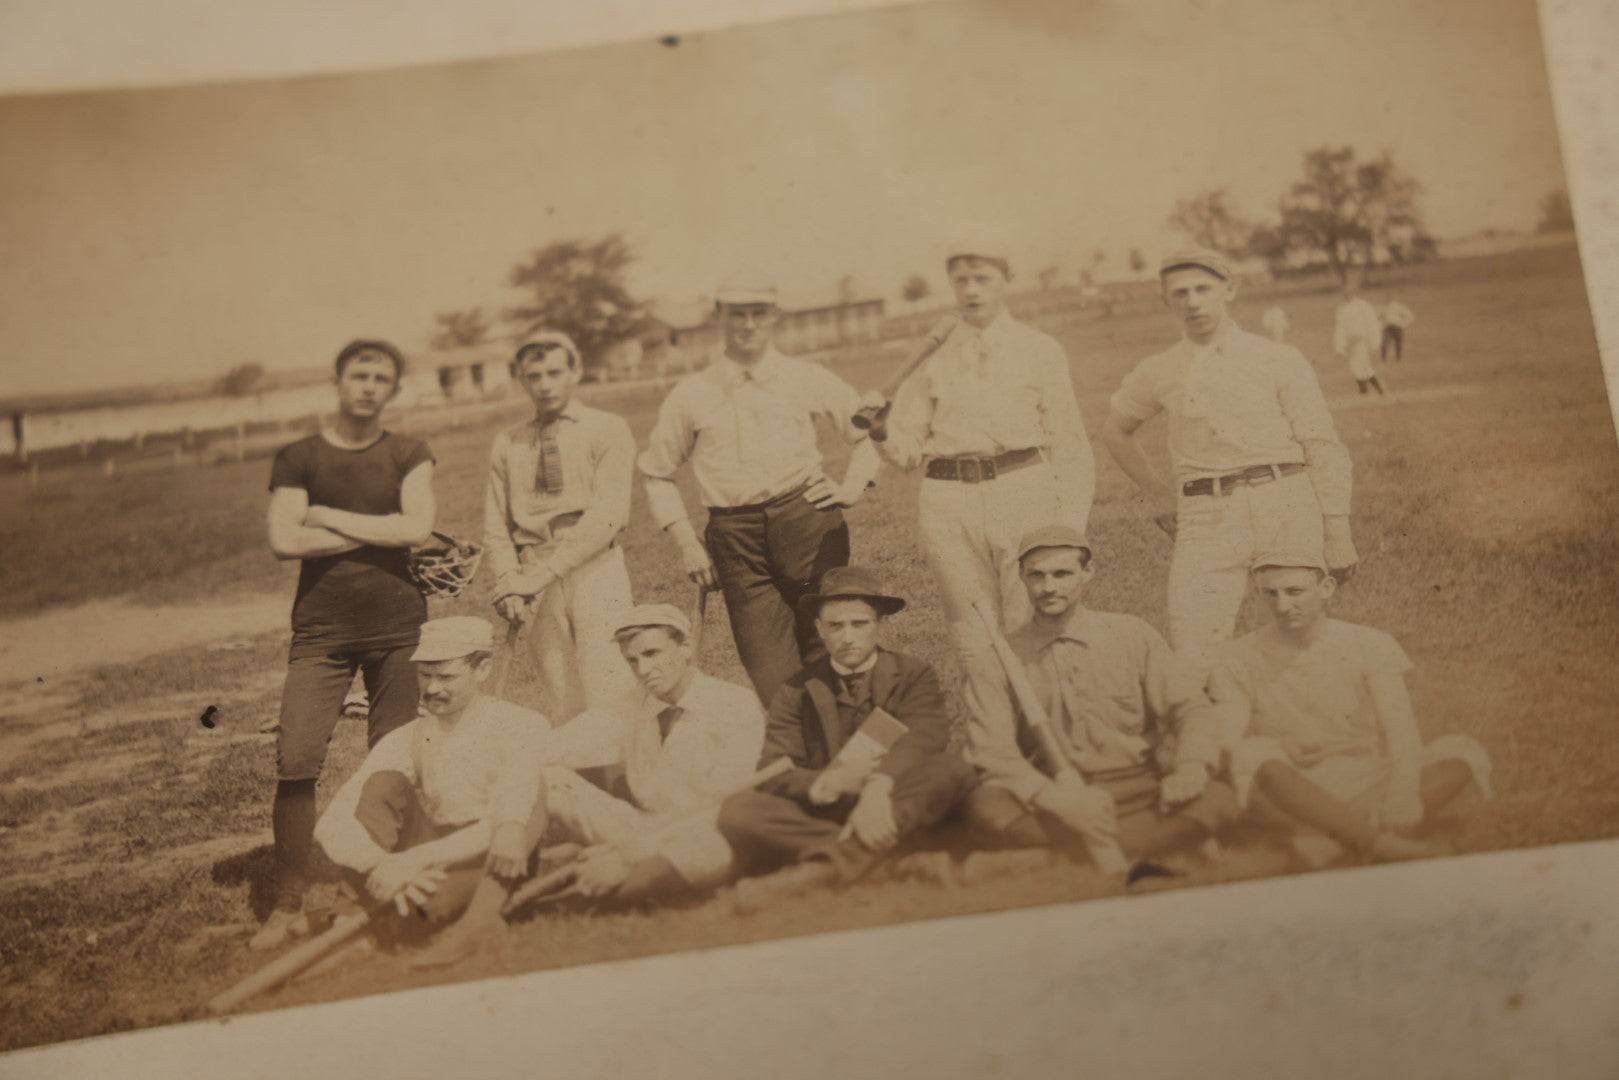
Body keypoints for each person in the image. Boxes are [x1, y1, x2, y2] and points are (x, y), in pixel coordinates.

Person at [254, 339, 436, 950]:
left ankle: (386, 883)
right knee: (297, 759)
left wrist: (328, 516)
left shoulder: (409, 451)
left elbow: (418, 528)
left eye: (382, 377)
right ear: (337, 380)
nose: (369, 386)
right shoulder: (298, 455)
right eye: (360, 374)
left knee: (395, 758)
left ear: (394, 389)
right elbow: (284, 540)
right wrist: (380, 536)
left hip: (398, 626)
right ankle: (289, 901)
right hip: (322, 631)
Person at [870, 239, 1095, 725]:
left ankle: (1052, 736)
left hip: (1023, 488)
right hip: (949, 500)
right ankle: (996, 741)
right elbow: (907, 451)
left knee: (1029, 621)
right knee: (972, 632)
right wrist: (881, 431)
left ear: (1005, 280)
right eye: (961, 280)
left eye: (983, 278)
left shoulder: (1039, 349)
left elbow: (1071, 444)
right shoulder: (931, 354)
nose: (971, 290)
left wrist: (1069, 532)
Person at [1102, 247, 1357, 675]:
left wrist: (1337, 531)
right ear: (1166, 301)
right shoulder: (1159, 369)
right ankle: (1214, 734)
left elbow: (1322, 445)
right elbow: (1115, 430)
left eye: (1203, 289)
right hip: (1206, 512)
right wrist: (1158, 494)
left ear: (1229, 290)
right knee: (1195, 642)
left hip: (1284, 497)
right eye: (1180, 293)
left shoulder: (1277, 358)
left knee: (1302, 638)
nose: (1193, 301)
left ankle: (1308, 736)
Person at [639, 272, 881, 706]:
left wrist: (853, 486)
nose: (748, 325)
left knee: (835, 652)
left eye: (758, 314)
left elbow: (866, 431)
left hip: (808, 523)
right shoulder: (691, 394)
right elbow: (656, 472)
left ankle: (852, 759)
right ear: (718, 318)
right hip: (736, 543)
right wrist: (686, 543)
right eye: (737, 315)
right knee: (773, 678)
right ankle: (807, 765)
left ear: (774, 317)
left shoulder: (805, 376)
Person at [962, 526, 1236, 876]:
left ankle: (1049, 860)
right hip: (1055, 796)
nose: (1048, 587)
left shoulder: (1131, 635)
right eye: (1037, 575)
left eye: (1062, 574)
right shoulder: (997, 659)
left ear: (1087, 572)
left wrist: (1191, 765)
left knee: (1219, 798)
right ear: (1021, 577)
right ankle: (1166, 841)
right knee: (984, 805)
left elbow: (1190, 709)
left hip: (1139, 787)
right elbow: (992, 752)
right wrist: (1053, 797)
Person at [1207, 554, 1492, 866]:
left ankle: (1326, 838)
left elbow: (1401, 731)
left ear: (1327, 587)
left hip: (1364, 775)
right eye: (1270, 594)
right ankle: (1378, 842)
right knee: (1251, 753)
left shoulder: (1369, 643)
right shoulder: (1235, 656)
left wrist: (1403, 792)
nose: (1283, 606)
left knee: (1462, 750)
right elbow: (1228, 736)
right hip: (1289, 786)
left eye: (1295, 592)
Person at [717, 567, 975, 908]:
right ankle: (896, 863)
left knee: (952, 768)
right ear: (820, 630)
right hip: (828, 809)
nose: (847, 637)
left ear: (881, 626)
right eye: (835, 626)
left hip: (895, 799)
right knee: (738, 812)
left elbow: (927, 735)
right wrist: (823, 784)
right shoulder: (796, 689)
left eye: (859, 624)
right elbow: (775, 766)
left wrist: (878, 786)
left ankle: (816, 873)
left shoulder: (913, 673)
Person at [313, 617, 550, 967]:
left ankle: (356, 919)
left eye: (446, 677)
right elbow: (333, 820)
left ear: (482, 669)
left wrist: (413, 861)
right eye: (425, 675)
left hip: (490, 857)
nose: (432, 688)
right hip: (429, 851)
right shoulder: (410, 736)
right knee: (384, 782)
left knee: (415, 913)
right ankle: (351, 916)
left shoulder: (522, 725)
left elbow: (508, 821)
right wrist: (383, 864)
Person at [531, 604, 767, 904]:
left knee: (616, 892)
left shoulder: (733, 704)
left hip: (709, 836)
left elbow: (724, 810)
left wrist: (627, 852)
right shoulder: (634, 703)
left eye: (652, 654)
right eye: (632, 661)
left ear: (685, 648)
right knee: (549, 777)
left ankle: (581, 881)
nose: (643, 671)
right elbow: (559, 746)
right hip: (646, 828)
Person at [483, 331, 636, 719]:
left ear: (576, 371)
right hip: (532, 572)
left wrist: (542, 575)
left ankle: (629, 777)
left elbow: (608, 516)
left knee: (612, 686)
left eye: (554, 372)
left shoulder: (608, 428)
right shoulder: (507, 441)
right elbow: (497, 527)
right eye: (534, 376)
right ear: (522, 381)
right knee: (564, 700)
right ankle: (581, 778)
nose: (545, 385)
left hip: (594, 566)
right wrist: (508, 583)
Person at [1334, 279, 1385, 395]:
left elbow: (1372, 323)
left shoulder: (1363, 306)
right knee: (1360, 365)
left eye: (1349, 293)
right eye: (1344, 293)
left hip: (1362, 340)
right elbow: (1340, 328)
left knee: (1357, 364)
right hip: (1351, 341)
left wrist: (1373, 340)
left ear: (1354, 293)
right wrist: (1340, 345)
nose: (1347, 295)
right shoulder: (1341, 308)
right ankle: (1377, 389)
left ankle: (1365, 390)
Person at [1380, 294, 1415, 362]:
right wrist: (1381, 324)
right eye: (1388, 299)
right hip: (1388, 327)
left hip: (1398, 327)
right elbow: (1380, 316)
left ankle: (1398, 359)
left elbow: (1410, 316)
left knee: (1398, 344)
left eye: (1391, 299)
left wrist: (1404, 324)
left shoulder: (1399, 306)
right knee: (1385, 343)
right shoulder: (1385, 307)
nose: (1389, 300)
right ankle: (1384, 360)